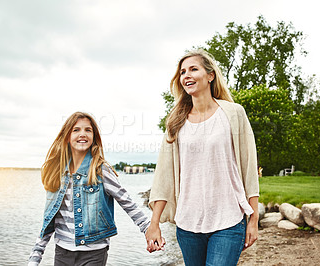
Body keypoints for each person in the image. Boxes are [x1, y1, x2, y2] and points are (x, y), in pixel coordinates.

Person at [146, 49, 259, 266]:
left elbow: (248, 167)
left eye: (193, 69)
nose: (186, 75)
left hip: (229, 220)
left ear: (210, 75)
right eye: (182, 72)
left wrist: (253, 219)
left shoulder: (234, 113)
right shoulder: (175, 122)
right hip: (188, 224)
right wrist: (154, 224)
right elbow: (164, 176)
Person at [28, 112, 156, 266]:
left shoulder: (101, 171)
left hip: (94, 252)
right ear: (67, 136)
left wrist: (148, 229)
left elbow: (127, 202)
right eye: (76, 130)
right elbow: (49, 218)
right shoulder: (57, 173)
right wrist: (35, 257)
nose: (82, 134)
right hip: (62, 252)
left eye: (88, 130)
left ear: (94, 137)